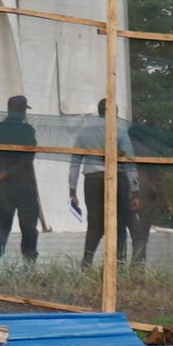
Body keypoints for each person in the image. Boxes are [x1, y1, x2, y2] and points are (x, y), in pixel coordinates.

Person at [0, 93, 45, 264]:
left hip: (2, 186)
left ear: (8, 109)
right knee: (28, 227)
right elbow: (27, 160)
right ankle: (29, 265)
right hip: (25, 185)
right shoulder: (28, 131)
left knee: (2, 226)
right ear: (23, 111)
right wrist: (5, 174)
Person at [70, 101, 111, 266]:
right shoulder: (119, 131)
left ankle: (87, 260)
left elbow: (75, 162)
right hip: (113, 179)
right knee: (116, 222)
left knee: (94, 223)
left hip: (92, 179)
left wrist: (72, 190)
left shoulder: (84, 132)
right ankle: (116, 264)